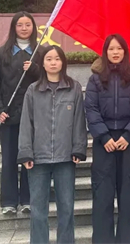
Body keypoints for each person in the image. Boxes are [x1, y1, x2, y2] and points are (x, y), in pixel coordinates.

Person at [18, 45, 87, 244]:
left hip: (65, 158)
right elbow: (26, 123)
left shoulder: (74, 88)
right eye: (49, 59)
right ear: (42, 63)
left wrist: (78, 148)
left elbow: (79, 121)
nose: (53, 62)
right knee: (38, 210)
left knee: (66, 208)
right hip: (38, 159)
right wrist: (26, 152)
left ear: (63, 62)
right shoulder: (33, 90)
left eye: (57, 59)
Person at [85, 34, 130, 244]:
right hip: (104, 143)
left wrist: (129, 135)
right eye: (111, 49)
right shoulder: (95, 79)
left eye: (119, 48)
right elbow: (91, 109)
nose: (115, 52)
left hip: (127, 141)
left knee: (129, 196)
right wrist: (103, 136)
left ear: (125, 52)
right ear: (105, 52)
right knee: (102, 196)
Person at [0, 11, 40, 215]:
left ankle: (28, 199)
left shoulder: (40, 52)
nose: (24, 28)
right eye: (20, 25)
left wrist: (35, 70)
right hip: (8, 116)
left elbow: (50, 78)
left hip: (33, 117)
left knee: (30, 159)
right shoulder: (1, 54)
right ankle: (8, 201)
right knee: (9, 160)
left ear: (33, 27)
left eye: (28, 24)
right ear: (13, 28)